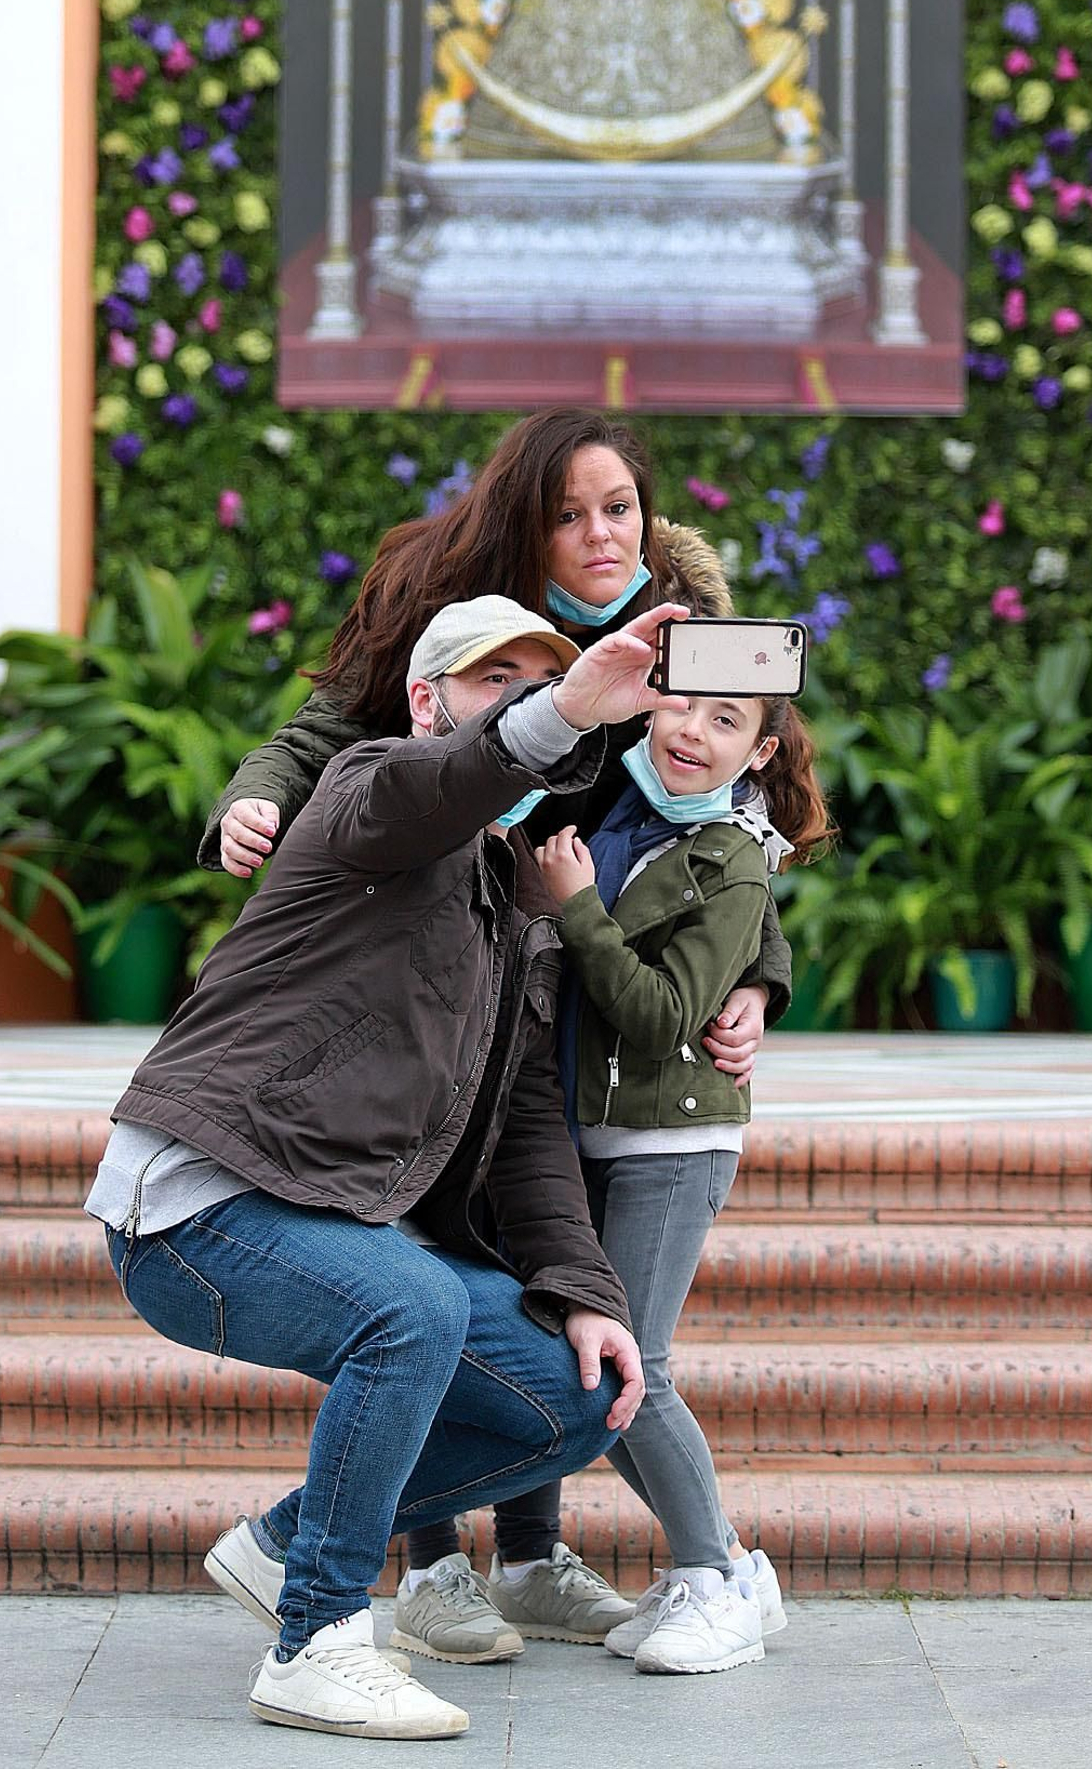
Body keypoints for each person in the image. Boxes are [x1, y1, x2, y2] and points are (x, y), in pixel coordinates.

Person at [209, 411, 792, 1662]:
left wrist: (759, 976)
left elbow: (744, 814)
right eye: (570, 511)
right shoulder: (463, 616)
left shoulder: (682, 616)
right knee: (442, 1266)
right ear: (525, 520)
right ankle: (434, 1569)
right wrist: (257, 791)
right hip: (470, 980)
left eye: (620, 507)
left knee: (553, 1286)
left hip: (594, 1003)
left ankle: (529, 1556)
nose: (598, 534)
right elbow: (332, 735)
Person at [86, 595, 681, 1741]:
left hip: (325, 1221)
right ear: (425, 702)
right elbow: (442, 782)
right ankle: (313, 1639)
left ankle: (281, 1544)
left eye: (537, 677)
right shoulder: (366, 789)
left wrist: (588, 1293)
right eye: (486, 679)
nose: (513, 698)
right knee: (406, 1303)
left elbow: (526, 1126)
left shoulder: (517, 901)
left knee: (577, 1390)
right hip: (196, 1202)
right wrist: (559, 707)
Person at [533, 678, 829, 1674]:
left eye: (726, 719)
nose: (691, 729)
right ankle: (728, 1571)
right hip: (595, 1131)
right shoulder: (621, 803)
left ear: (757, 753)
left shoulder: (732, 857)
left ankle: (716, 1573)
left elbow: (661, 1015)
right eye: (682, 705)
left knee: (633, 1369)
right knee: (600, 1378)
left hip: (669, 1140)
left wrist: (576, 907)